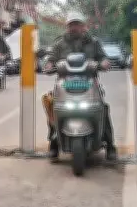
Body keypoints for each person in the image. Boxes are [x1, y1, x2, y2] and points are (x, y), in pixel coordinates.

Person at [43, 12, 115, 160]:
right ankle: (54, 143)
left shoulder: (93, 42)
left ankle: (110, 145)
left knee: (103, 109)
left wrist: (104, 63)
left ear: (84, 26)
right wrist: (49, 65)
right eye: (71, 24)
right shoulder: (59, 43)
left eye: (77, 24)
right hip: (65, 84)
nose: (74, 27)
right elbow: (50, 59)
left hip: (89, 82)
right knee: (53, 108)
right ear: (67, 26)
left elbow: (102, 57)